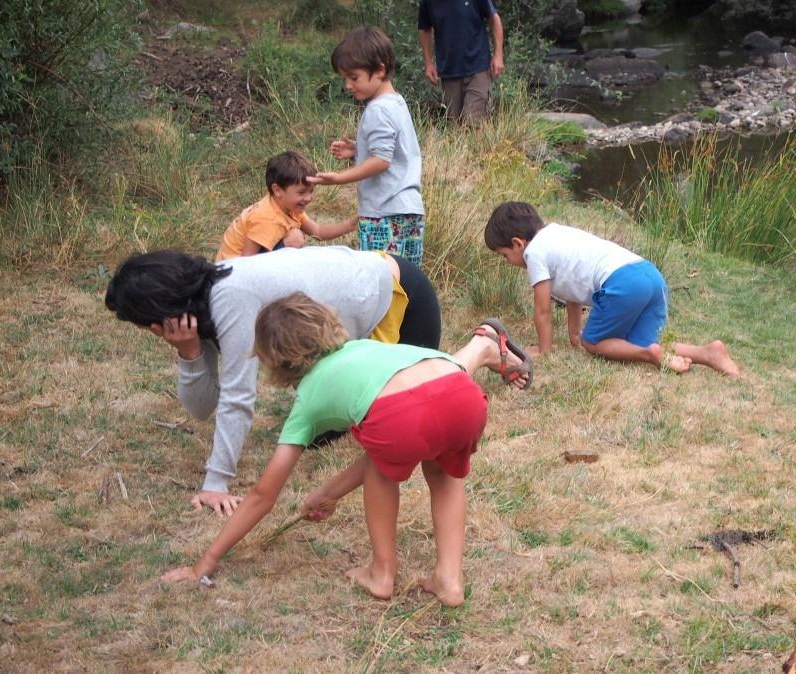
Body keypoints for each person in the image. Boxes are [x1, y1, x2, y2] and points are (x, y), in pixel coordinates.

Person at [160, 294, 532, 607]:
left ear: (274, 360)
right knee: (442, 471)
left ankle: (381, 573)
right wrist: (328, 493)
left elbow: (263, 495)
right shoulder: (364, 347)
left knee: (383, 465)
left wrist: (204, 563)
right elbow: (395, 439)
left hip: (408, 413)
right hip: (461, 391)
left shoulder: (308, 398)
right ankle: (449, 580)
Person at [105, 246, 442, 515]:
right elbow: (203, 409)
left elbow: (238, 396)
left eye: (144, 323)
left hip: (400, 299)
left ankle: (485, 346)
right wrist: (189, 353)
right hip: (367, 305)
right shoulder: (200, 308)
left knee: (410, 415)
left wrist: (216, 483)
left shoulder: (229, 295)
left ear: (159, 310)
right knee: (319, 435)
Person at [484, 201, 741, 377]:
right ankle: (708, 353)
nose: (507, 263)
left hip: (622, 282)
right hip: (649, 275)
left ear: (518, 243)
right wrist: (574, 335)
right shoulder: (556, 234)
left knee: (594, 343)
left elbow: (542, 311)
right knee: (632, 342)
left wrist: (544, 350)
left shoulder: (534, 253)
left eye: (504, 255)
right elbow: (572, 294)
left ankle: (650, 354)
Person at [308, 27, 426, 267]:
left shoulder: (377, 109)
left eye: (354, 77)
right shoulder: (397, 103)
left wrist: (340, 178)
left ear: (380, 70)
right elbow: (394, 151)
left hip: (383, 215)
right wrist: (358, 151)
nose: (348, 85)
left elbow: (381, 161)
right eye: (345, 78)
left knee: (380, 283)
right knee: (407, 284)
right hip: (410, 211)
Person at [216, 151, 356, 261]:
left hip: (248, 265)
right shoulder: (265, 218)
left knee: (295, 240)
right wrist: (285, 246)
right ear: (277, 190)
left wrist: (351, 225)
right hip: (234, 274)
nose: (308, 198)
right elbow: (246, 263)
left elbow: (318, 232)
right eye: (301, 192)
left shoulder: (289, 207)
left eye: (311, 191)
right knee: (294, 238)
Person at [418, 0, 504, 124]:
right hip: (449, 71)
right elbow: (424, 28)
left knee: (474, 122)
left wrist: (498, 55)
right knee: (456, 127)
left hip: (478, 67)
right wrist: (428, 63)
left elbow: (494, 18)